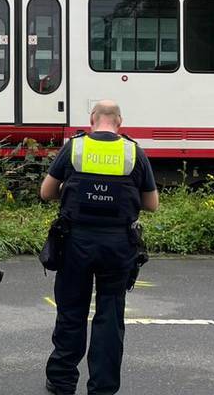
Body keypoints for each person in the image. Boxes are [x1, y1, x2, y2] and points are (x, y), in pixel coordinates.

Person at [40, 100, 159, 395]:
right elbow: (152, 204)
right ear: (120, 121)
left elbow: (46, 192)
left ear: (92, 118)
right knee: (110, 314)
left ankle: (62, 381)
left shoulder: (75, 148)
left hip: (75, 242)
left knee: (71, 311)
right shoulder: (134, 152)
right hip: (118, 245)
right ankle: (103, 387)